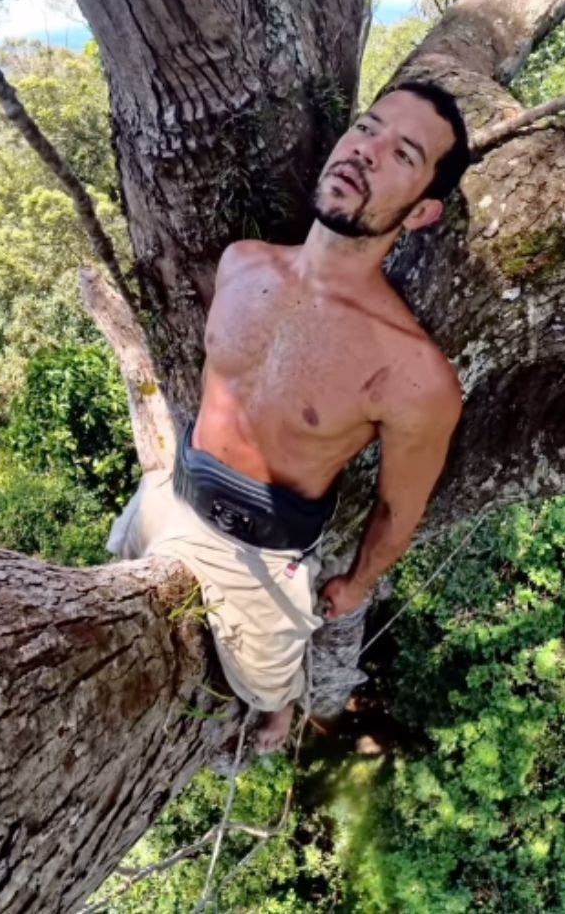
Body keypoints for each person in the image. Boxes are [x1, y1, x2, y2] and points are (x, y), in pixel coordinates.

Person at [109, 83, 471, 752]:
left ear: (422, 212)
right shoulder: (241, 263)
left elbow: (398, 510)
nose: (366, 150)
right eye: (367, 127)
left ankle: (279, 721)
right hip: (169, 491)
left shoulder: (412, 374)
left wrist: (357, 585)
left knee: (268, 688)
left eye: (402, 153)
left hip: (258, 556)